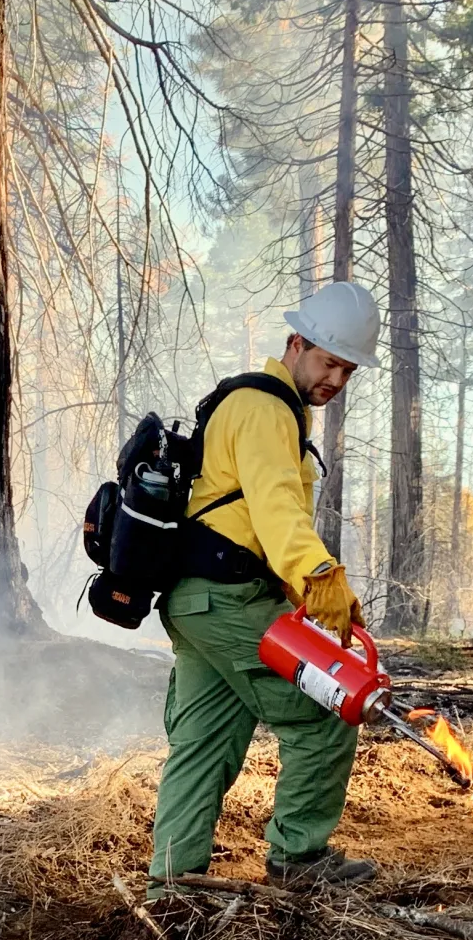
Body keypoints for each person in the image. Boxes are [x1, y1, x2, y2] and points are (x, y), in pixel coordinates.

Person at [149, 280, 379, 894]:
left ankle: (172, 889)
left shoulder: (258, 407)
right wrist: (320, 576)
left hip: (197, 600)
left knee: (202, 743)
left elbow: (252, 513)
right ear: (296, 342)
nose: (336, 378)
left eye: (348, 369)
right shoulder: (265, 409)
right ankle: (298, 860)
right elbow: (278, 509)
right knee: (328, 710)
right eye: (329, 360)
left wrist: (305, 592)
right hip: (228, 598)